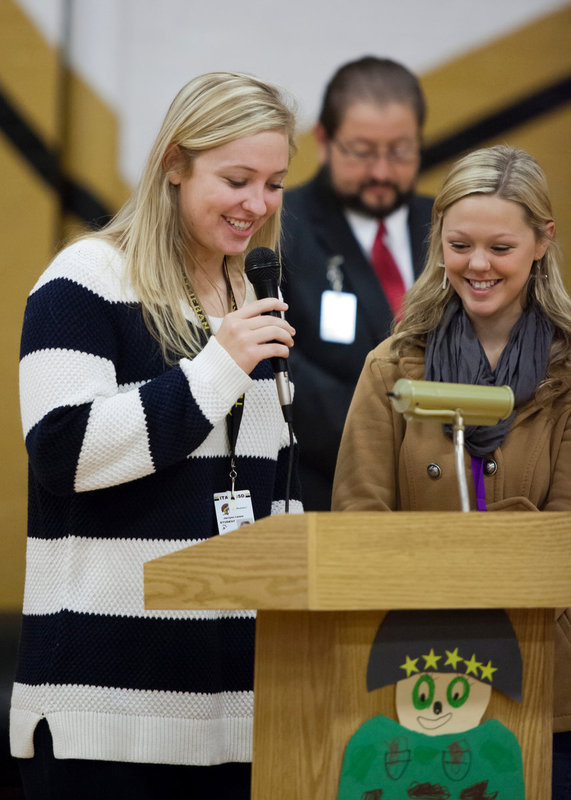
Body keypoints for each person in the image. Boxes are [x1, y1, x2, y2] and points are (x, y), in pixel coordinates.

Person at [11, 71, 302, 800]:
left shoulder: (251, 298)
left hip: (240, 712)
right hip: (107, 709)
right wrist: (217, 369)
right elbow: (62, 452)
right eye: (236, 178)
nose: (256, 205)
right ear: (174, 163)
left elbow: (269, 485)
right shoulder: (85, 278)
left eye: (273, 184)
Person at [331, 145, 570, 798]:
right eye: (459, 244)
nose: (476, 265)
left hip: (544, 686)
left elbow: (563, 544)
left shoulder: (568, 374)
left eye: (499, 247)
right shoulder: (392, 365)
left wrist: (454, 549)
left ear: (542, 242)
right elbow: (359, 523)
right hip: (413, 679)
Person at [281, 56, 433, 510]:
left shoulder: (454, 226)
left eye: (400, 151)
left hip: (450, 492)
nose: (382, 172)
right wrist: (392, 446)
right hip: (326, 496)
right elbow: (282, 370)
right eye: (363, 151)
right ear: (324, 141)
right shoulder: (280, 229)